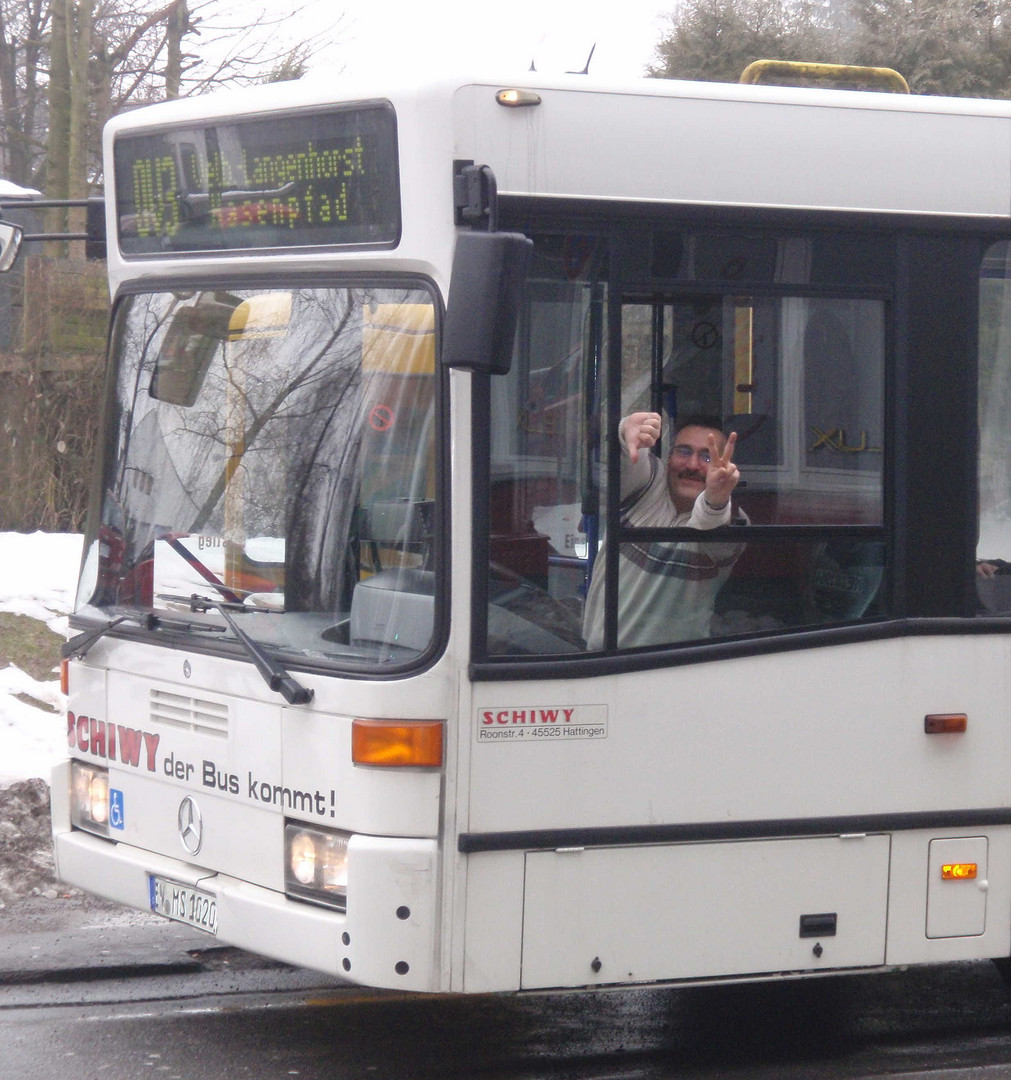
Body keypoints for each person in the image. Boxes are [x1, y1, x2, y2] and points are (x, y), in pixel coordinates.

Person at [583, 411, 745, 649]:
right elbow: (632, 461)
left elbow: (711, 522)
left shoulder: (736, 520)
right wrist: (626, 430)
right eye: (684, 451)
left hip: (672, 668)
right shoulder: (648, 485)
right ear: (668, 458)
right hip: (597, 660)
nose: (692, 465)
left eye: (707, 457)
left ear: (725, 466)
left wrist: (716, 498)